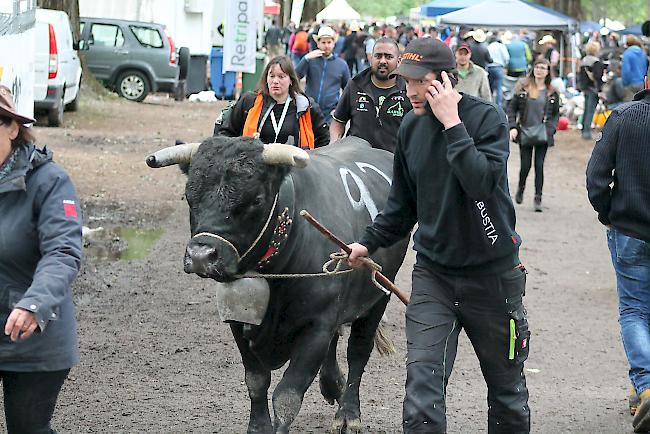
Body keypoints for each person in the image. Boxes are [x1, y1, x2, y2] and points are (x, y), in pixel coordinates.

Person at [345, 38, 530, 433]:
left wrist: (452, 124)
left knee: (508, 396)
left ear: (446, 80)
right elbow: (401, 205)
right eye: (405, 82)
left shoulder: (487, 120)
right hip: (434, 277)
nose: (409, 91)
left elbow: (480, 184)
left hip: (493, 276)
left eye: (420, 82)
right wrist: (367, 242)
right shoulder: (410, 127)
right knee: (421, 395)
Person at [0, 85, 82, 433]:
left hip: (32, 336)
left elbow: (63, 251)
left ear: (12, 127)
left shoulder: (49, 181)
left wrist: (34, 303)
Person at [586, 72, 650, 434]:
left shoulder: (623, 117)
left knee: (635, 310)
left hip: (629, 230)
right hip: (628, 228)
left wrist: (609, 212)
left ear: (645, 79)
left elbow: (596, 177)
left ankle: (645, 387)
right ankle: (640, 388)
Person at [217, 55, 329, 148]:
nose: (275, 81)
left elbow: (323, 139)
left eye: (281, 76)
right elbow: (225, 132)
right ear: (266, 78)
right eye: (272, 76)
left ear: (291, 80)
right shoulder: (249, 102)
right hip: (254, 168)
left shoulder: (306, 107)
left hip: (294, 171)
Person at [330, 37, 412, 152]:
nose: (382, 61)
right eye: (378, 56)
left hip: (392, 163)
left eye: (389, 57)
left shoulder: (409, 89)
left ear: (399, 61)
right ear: (371, 59)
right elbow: (338, 121)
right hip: (355, 161)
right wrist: (334, 143)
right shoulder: (355, 84)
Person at [507, 58, 560, 212]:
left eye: (543, 68)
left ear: (548, 71)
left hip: (543, 133)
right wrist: (513, 127)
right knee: (525, 165)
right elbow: (511, 109)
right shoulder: (523, 88)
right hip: (525, 132)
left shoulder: (552, 92)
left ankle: (538, 197)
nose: (540, 70)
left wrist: (551, 128)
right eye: (537, 67)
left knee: (539, 165)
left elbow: (556, 114)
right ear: (533, 69)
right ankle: (521, 188)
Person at [296, 26, 350, 124]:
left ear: (334, 44)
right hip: (310, 110)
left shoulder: (342, 64)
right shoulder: (311, 60)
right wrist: (305, 58)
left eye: (329, 42)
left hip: (330, 114)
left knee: (328, 139)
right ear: (318, 43)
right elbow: (296, 76)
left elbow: (348, 89)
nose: (326, 46)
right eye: (323, 42)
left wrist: (339, 110)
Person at [577, 41, 605, 140]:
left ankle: (584, 129)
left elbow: (579, 76)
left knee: (586, 110)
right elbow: (598, 78)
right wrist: (600, 90)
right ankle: (587, 132)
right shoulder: (597, 63)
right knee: (590, 111)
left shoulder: (583, 61)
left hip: (585, 88)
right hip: (594, 89)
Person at [621, 35, 648, 101]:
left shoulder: (627, 54)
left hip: (630, 84)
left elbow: (626, 71)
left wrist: (625, 83)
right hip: (641, 83)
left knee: (629, 106)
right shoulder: (643, 53)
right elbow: (645, 68)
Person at [487, 33, 510, 107]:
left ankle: (489, 104)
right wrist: (505, 65)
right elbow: (506, 58)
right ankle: (498, 106)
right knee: (499, 87)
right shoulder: (501, 46)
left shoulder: (489, 46)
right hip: (499, 67)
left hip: (490, 67)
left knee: (490, 87)